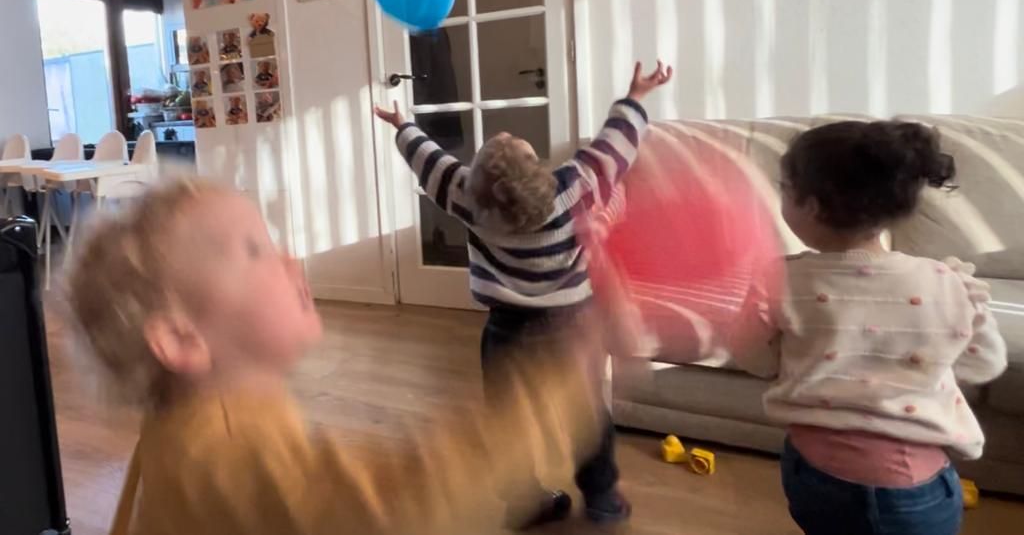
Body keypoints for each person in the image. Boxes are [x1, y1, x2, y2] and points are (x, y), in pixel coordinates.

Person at [67, 179, 604, 535]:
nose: (290, 259)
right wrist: (560, 383)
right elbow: (402, 504)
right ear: (182, 339)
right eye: (254, 250)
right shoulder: (231, 451)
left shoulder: (174, 423)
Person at [375, 61, 673, 528]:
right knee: (587, 415)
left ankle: (523, 501)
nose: (506, 133)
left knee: (508, 421)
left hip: (506, 331)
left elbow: (430, 163)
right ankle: (602, 500)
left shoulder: (469, 199)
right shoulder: (574, 188)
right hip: (571, 329)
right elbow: (616, 145)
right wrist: (635, 96)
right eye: (514, 144)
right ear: (540, 172)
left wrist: (403, 127)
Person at [730, 121, 1008, 535]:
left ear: (812, 206)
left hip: (814, 473)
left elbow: (753, 359)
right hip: (914, 487)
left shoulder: (779, 279)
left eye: (784, 189)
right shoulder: (946, 283)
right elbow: (984, 364)